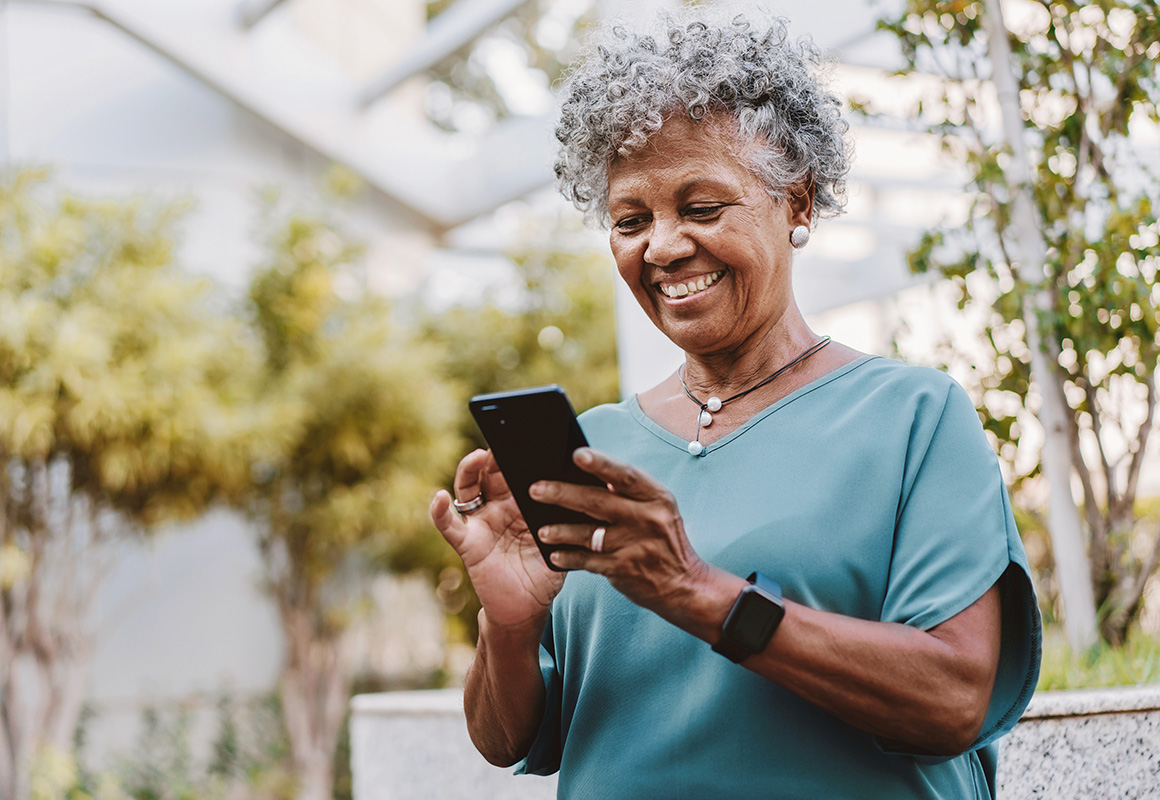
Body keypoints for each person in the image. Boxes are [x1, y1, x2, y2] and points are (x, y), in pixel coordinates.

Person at [430, 8, 1041, 799]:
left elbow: (953, 699)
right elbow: (510, 737)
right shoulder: (593, 448)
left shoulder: (912, 419)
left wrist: (699, 592)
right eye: (630, 220)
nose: (663, 246)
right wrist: (508, 629)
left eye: (702, 207)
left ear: (798, 203)